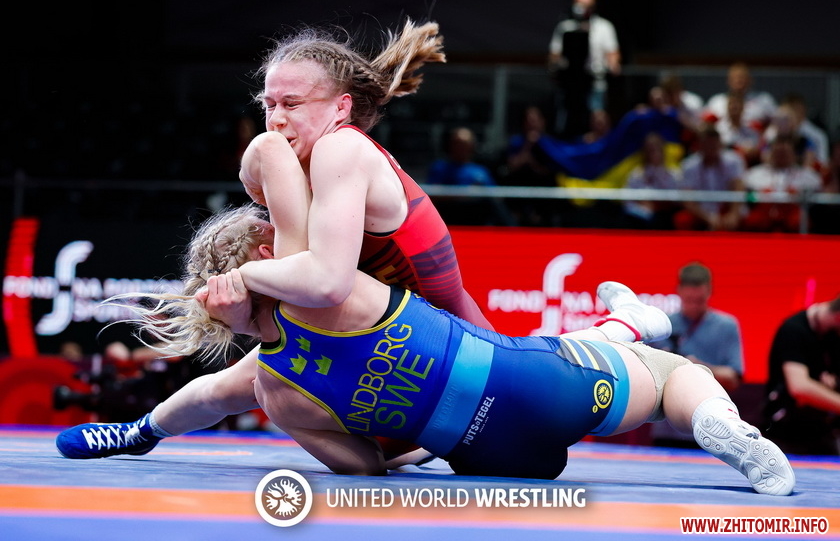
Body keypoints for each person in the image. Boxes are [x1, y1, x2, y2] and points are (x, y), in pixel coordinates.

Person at [54, 19, 659, 461]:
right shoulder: (313, 163)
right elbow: (275, 216)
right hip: (390, 329)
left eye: (292, 103)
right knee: (238, 383)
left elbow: (320, 278)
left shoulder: (340, 152)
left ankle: (624, 330)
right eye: (267, 104)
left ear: (341, 108)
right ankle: (141, 432)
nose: (276, 118)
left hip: (446, 335)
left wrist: (245, 262)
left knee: (534, 389)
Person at [61, 204, 794, 495]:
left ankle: (628, 323)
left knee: (556, 347)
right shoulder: (328, 291)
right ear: (264, 254)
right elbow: (275, 182)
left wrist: (141, 431)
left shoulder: (273, 391)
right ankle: (718, 422)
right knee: (674, 377)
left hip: (492, 459)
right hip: (535, 387)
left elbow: (365, 465)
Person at [649, 263, 744, 448]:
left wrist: (696, 368)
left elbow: (733, 378)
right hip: (665, 429)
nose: (693, 306)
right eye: (688, 300)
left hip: (711, 430)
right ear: (678, 292)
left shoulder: (726, 326)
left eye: (699, 300)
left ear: (709, 292)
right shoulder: (662, 325)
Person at [763, 294, 840, 456]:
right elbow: (799, 387)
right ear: (838, 316)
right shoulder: (793, 330)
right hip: (785, 434)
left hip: (822, 432)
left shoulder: (832, 334)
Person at [547, 0, 621, 138]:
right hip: (569, 84)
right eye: (579, 4)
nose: (582, 8)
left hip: (595, 82)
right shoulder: (565, 27)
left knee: (596, 121)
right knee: (567, 121)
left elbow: (613, 54)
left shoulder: (604, 27)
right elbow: (554, 54)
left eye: (586, 5)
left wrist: (612, 65)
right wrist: (558, 64)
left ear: (593, 6)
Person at [673, 125, 747, 231]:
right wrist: (708, 217)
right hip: (701, 212)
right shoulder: (689, 166)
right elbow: (688, 199)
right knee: (682, 219)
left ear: (720, 144)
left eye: (714, 145)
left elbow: (738, 189)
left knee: (748, 220)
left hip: (726, 208)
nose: (711, 149)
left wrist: (733, 214)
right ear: (700, 145)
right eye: (707, 145)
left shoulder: (733, 161)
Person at [742, 135, 823, 233]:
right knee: (754, 220)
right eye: (778, 152)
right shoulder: (753, 174)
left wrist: (797, 196)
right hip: (764, 217)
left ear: (794, 154)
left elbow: (814, 201)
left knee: (800, 220)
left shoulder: (809, 176)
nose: (781, 157)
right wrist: (760, 196)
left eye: (785, 153)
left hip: (793, 219)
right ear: (771, 152)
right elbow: (749, 198)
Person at [622, 131, 681, 229]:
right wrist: (642, 208)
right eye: (650, 148)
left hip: (666, 217)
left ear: (663, 149)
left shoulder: (673, 174)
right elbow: (627, 202)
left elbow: (678, 200)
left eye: (657, 147)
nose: (654, 151)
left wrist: (659, 204)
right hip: (642, 219)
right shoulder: (636, 174)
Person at [704, 62, 777, 132]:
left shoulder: (764, 100)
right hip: (723, 139)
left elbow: (775, 124)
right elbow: (706, 125)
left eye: (742, 77)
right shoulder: (716, 101)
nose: (738, 81)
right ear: (728, 80)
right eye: (735, 78)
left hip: (753, 139)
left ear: (750, 80)